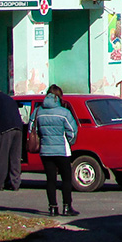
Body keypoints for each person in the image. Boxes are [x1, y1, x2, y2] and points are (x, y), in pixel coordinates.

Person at [31, 85, 79, 216]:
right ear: (59, 97)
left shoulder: (38, 111)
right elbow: (72, 131)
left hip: (45, 150)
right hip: (62, 150)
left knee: (50, 180)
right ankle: (67, 207)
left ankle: (52, 207)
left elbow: (31, 129)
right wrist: (70, 142)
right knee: (66, 179)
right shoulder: (64, 113)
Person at [0, 89, 25, 191]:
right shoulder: (10, 99)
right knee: (15, 157)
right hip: (18, 129)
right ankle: (15, 183)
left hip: (5, 129)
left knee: (2, 156)